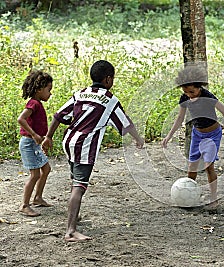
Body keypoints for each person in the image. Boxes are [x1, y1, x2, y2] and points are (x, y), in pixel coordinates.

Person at [42, 60, 144, 242]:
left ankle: (74, 214)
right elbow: (126, 124)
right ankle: (71, 230)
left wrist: (48, 137)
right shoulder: (110, 101)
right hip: (84, 145)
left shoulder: (80, 94)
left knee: (75, 180)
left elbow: (59, 115)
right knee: (79, 186)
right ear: (108, 79)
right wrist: (138, 139)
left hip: (69, 141)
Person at [162, 65, 224, 210]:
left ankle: (213, 198)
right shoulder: (184, 98)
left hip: (212, 135)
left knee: (208, 167)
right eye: (185, 91)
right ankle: (187, 195)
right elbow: (180, 118)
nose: (189, 94)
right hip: (197, 134)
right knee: (192, 167)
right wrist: (168, 136)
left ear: (199, 87)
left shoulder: (208, 97)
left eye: (191, 91)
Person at [17, 70, 53, 217]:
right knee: (35, 174)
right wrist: (34, 135)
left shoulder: (37, 103)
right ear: (39, 89)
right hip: (28, 144)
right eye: (48, 90)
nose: (50, 93)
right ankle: (24, 205)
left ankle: (37, 198)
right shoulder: (33, 103)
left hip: (34, 144)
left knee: (46, 169)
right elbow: (21, 119)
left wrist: (43, 139)